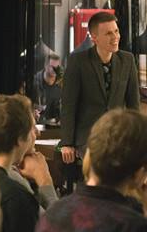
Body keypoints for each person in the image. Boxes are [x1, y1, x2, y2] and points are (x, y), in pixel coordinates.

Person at [59, 11, 140, 167]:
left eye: (116, 31)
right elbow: (68, 105)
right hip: (88, 137)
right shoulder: (78, 61)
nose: (115, 37)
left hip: (118, 135)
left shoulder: (127, 60)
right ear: (94, 38)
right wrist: (67, 143)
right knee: (106, 164)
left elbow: (133, 105)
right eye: (108, 33)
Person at [0, 93, 53, 232]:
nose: (36, 134)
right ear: (19, 139)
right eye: (32, 129)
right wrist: (45, 181)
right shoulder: (17, 199)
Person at [32, 51, 62, 123]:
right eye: (52, 67)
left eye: (57, 67)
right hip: (37, 124)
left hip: (55, 126)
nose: (55, 69)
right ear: (45, 66)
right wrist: (32, 112)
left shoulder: (62, 84)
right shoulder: (34, 82)